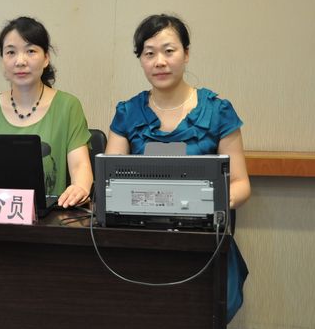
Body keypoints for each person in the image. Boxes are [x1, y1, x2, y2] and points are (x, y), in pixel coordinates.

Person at [105, 13, 250, 208]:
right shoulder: (128, 112)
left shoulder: (218, 112)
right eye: (149, 53)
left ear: (186, 54)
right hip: (140, 220)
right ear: (141, 59)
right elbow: (111, 183)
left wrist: (209, 203)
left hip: (201, 221)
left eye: (169, 51)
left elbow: (240, 183)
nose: (159, 62)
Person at [0, 16, 93, 208]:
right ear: (2, 61)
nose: (20, 61)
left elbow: (79, 165)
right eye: (11, 52)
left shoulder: (68, 106)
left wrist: (80, 187)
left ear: (46, 58)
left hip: (49, 219)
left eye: (30, 51)